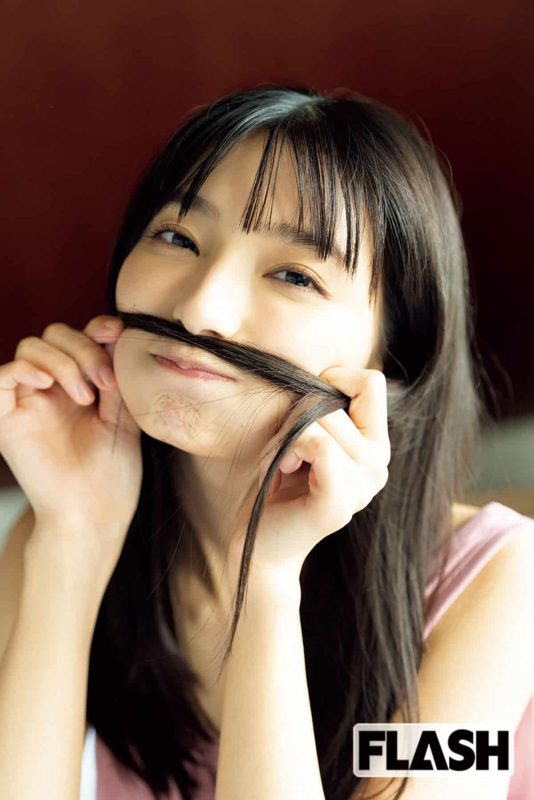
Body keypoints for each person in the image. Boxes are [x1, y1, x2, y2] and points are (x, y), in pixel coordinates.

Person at [0, 84, 533, 800]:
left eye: (293, 275)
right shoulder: (56, 533)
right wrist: (74, 536)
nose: (201, 309)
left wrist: (268, 581)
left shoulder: (496, 581)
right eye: (178, 238)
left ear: (392, 359)